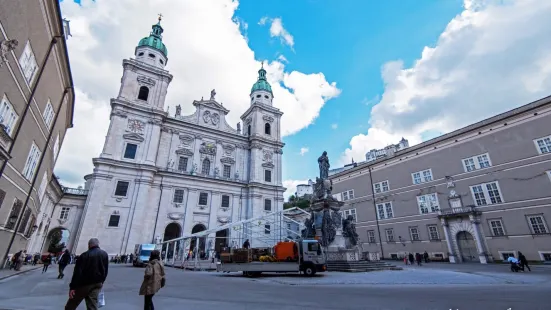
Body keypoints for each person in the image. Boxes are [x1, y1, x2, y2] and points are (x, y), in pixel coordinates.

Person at [65, 238, 109, 310]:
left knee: (71, 305)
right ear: (98, 244)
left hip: (85, 284)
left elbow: (77, 273)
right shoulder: (104, 254)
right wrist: (102, 281)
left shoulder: (84, 255)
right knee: (92, 306)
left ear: (89, 245)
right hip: (98, 283)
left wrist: (73, 287)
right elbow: (105, 270)